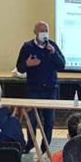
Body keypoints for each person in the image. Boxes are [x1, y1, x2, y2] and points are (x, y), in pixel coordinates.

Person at [15, 21, 65, 152]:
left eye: (46, 31)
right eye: (41, 31)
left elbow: (62, 66)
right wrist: (27, 63)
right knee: (31, 120)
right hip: (33, 89)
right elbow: (19, 68)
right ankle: (30, 143)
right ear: (35, 32)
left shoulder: (52, 46)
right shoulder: (27, 47)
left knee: (49, 121)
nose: (44, 34)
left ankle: (45, 145)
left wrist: (54, 53)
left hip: (50, 89)